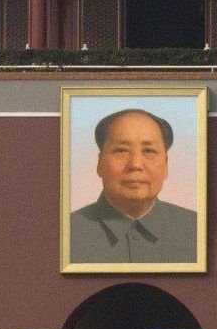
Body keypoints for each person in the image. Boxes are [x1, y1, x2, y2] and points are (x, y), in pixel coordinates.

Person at [68, 108, 200, 265]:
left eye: (149, 151)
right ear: (100, 163)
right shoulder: (66, 232)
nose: (135, 164)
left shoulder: (197, 230)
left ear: (166, 165)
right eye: (121, 150)